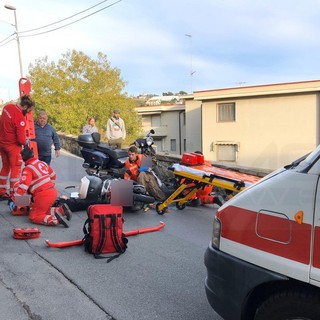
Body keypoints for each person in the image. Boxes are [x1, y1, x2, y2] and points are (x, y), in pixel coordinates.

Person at [9, 146, 72, 227]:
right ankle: (61, 210)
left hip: (42, 195)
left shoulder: (28, 169)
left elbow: (24, 186)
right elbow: (53, 175)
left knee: (34, 216)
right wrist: (50, 186)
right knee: (43, 210)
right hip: (52, 191)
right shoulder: (42, 163)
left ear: (23, 159)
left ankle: (55, 220)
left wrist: (14, 199)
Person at [0, 94, 35, 200]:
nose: (28, 112)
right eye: (29, 110)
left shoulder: (7, 107)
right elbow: (21, 139)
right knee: (16, 170)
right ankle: (13, 194)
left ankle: (1, 191)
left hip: (2, 144)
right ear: (24, 107)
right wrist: (26, 140)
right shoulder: (20, 118)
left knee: (5, 167)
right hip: (13, 147)